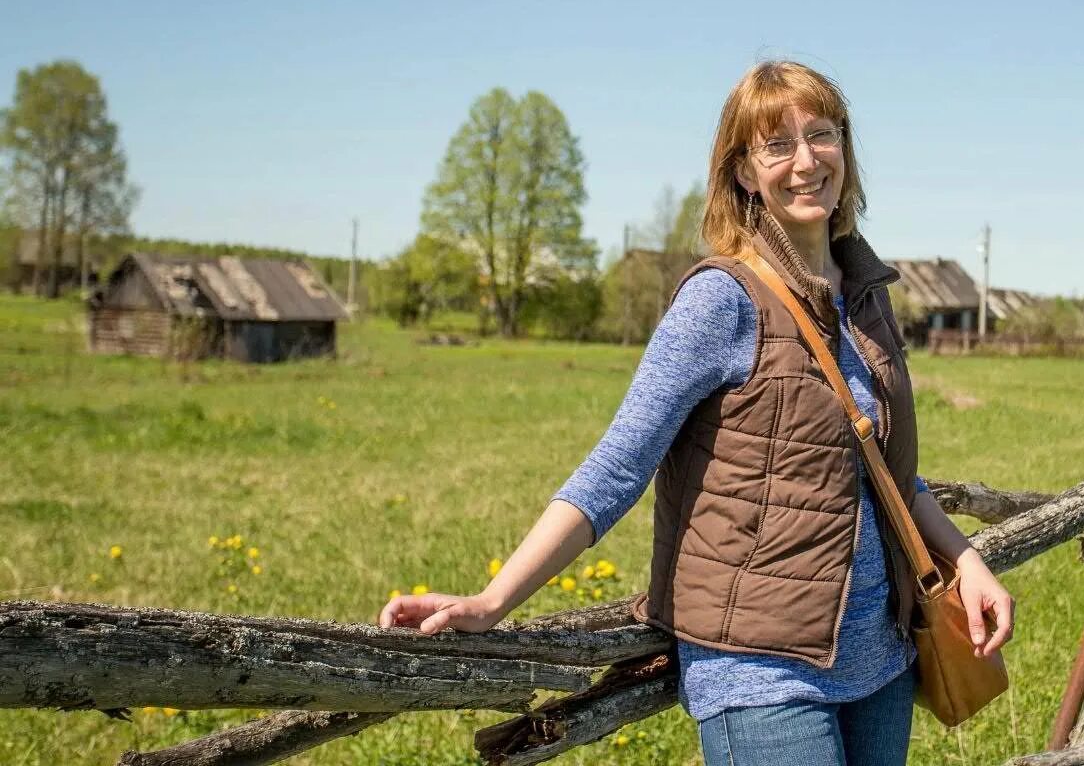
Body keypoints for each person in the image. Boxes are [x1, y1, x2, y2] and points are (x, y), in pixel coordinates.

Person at [378, 60, 1014, 766]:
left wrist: (967, 559)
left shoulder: (865, 296)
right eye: (778, 145)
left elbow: (886, 474)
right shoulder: (720, 302)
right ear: (744, 172)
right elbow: (618, 466)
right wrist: (492, 601)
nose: (806, 161)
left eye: (822, 136)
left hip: (880, 661)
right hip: (761, 672)